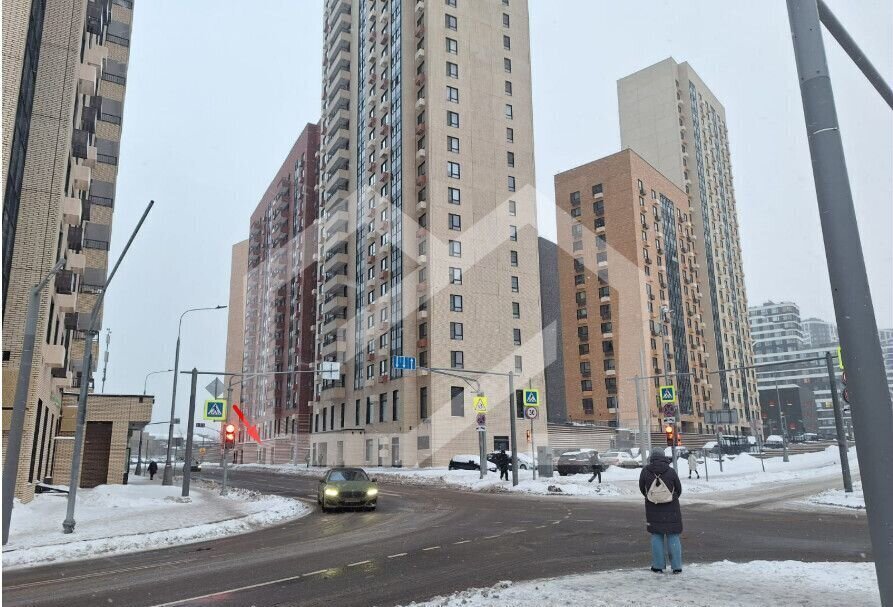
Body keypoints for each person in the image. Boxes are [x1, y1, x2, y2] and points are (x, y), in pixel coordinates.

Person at [639, 452, 683, 574]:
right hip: (671, 508)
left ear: (651, 458)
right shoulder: (671, 471)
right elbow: (679, 489)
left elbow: (642, 489)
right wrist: (670, 498)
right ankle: (676, 566)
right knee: (673, 535)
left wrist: (653, 498)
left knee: (656, 536)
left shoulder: (645, 471)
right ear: (663, 457)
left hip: (653, 508)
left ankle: (658, 566)